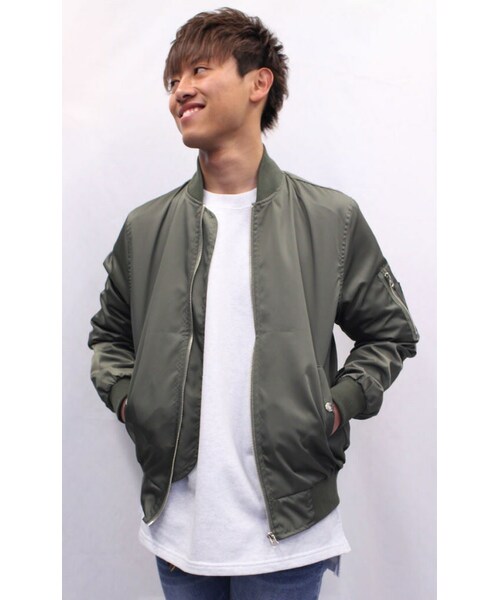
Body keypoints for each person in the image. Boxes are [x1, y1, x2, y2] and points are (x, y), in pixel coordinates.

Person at [88, 7, 419, 600]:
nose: (180, 90)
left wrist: (336, 407)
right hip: (179, 534)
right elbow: (109, 338)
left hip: (288, 536)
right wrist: (130, 401)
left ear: (258, 82)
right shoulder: (146, 229)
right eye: (172, 80)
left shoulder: (330, 220)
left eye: (198, 70)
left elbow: (390, 333)